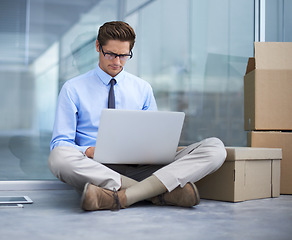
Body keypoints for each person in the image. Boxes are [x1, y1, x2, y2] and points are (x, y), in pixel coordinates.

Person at [48, 21, 227, 211]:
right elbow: (59, 143)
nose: (117, 62)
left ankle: (120, 196)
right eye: (110, 54)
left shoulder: (142, 88)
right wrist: (88, 151)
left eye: (124, 56)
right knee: (58, 157)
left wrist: (162, 148)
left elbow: (153, 135)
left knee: (215, 148)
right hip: (98, 168)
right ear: (98, 47)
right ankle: (158, 193)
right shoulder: (73, 88)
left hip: (142, 168)